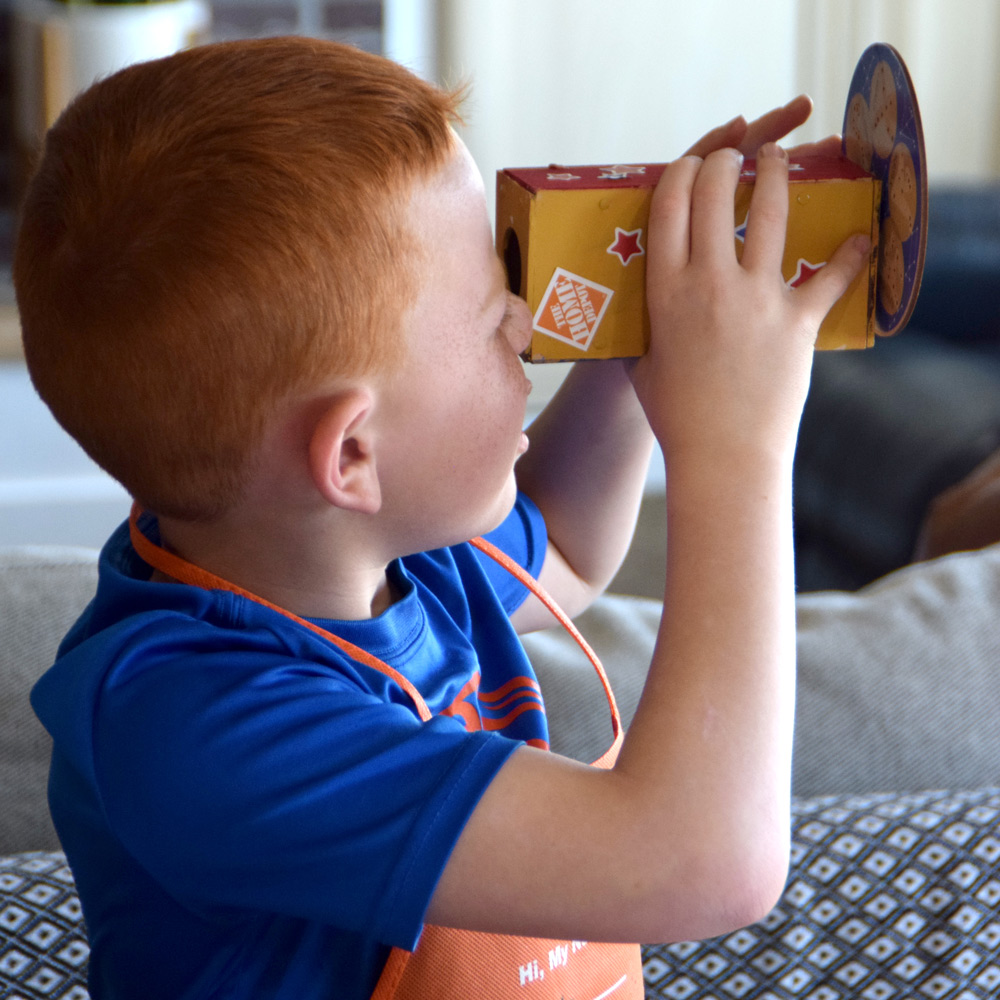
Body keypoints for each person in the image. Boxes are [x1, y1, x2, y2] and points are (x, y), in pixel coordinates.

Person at [16, 36, 870, 1000]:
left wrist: (639, 309)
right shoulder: (187, 726)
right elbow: (703, 864)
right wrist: (738, 447)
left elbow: (573, 549)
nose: (527, 318)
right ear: (350, 455)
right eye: (492, 305)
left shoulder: (380, 551)